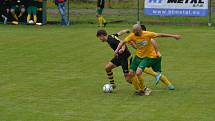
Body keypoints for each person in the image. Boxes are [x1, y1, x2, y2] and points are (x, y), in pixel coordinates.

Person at [114, 24, 181, 92]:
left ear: (140, 30)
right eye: (133, 31)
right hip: (138, 57)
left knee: (141, 72)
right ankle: (141, 89)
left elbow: (159, 36)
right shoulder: (132, 35)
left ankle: (144, 88)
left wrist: (173, 36)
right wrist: (117, 51)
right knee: (131, 74)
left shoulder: (148, 35)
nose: (133, 33)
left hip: (149, 57)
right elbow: (124, 43)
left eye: (135, 31)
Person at [97, 29, 153, 96]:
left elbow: (122, 42)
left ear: (102, 36)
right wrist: (125, 30)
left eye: (99, 37)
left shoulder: (111, 40)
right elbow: (119, 33)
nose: (100, 39)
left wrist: (122, 49)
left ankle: (143, 88)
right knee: (107, 68)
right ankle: (112, 84)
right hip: (119, 57)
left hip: (125, 58)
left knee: (128, 78)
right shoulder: (111, 36)